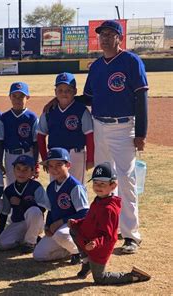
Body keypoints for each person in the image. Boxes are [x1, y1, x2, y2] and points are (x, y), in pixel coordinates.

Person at [44, 20, 148, 254]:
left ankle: (131, 235)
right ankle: (108, 228)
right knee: (103, 181)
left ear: (120, 38)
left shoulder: (131, 61)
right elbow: (87, 98)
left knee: (127, 180)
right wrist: (62, 101)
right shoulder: (96, 67)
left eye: (111, 34)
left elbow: (141, 98)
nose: (105, 38)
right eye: (102, 34)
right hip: (100, 126)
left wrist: (141, 133)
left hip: (124, 126)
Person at [68, 162, 151, 284]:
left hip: (100, 247)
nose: (98, 187)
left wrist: (96, 243)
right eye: (95, 183)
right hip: (91, 239)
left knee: (100, 279)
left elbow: (109, 236)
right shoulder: (98, 200)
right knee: (74, 229)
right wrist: (77, 223)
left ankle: (133, 276)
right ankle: (86, 264)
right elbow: (91, 220)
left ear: (113, 185)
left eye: (102, 184)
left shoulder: (109, 209)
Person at [33, 147, 89, 263]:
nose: (54, 169)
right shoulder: (51, 187)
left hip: (75, 228)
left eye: (58, 165)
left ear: (68, 165)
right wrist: (48, 226)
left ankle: (80, 251)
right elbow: (50, 210)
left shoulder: (75, 186)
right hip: (60, 229)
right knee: (39, 255)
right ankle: (70, 250)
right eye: (51, 166)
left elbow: (84, 213)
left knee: (61, 235)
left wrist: (60, 222)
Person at [37, 73, 94, 184]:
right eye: (60, 90)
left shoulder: (81, 110)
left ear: (75, 91)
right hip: (55, 156)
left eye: (68, 90)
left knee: (76, 186)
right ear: (55, 92)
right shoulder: (49, 111)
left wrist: (90, 159)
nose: (64, 93)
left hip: (76, 153)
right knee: (56, 187)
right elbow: (40, 136)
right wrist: (44, 158)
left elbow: (89, 136)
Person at [0, 155, 47, 254]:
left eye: (26, 169)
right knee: (2, 244)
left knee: (34, 210)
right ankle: (29, 238)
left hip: (35, 222)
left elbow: (42, 209)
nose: (21, 172)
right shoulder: (9, 190)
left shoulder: (36, 186)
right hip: (18, 223)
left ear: (32, 172)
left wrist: (21, 202)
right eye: (18, 169)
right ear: (14, 170)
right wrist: (0, 234)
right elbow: (4, 214)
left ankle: (30, 243)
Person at [0, 82, 39, 185]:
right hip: (10, 155)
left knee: (27, 185)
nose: (17, 99)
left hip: (27, 153)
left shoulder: (32, 117)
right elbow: (0, 142)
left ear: (27, 97)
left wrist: (36, 163)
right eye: (14, 96)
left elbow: (36, 143)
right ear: (10, 97)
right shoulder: (4, 117)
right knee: (11, 184)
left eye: (21, 96)